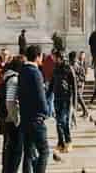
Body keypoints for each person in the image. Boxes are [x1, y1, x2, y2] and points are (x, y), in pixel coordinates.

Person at [17, 45, 51, 173]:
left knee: (29, 152)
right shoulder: (35, 72)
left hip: (25, 117)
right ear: (38, 57)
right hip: (36, 118)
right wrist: (46, 111)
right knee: (44, 151)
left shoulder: (22, 71)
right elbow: (40, 95)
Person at [51, 52, 77, 154]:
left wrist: (75, 101)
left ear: (60, 58)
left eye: (55, 58)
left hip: (66, 98)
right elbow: (52, 83)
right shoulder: (55, 68)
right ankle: (60, 143)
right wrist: (48, 95)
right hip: (57, 97)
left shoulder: (68, 68)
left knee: (64, 121)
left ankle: (68, 141)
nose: (54, 60)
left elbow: (74, 85)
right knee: (58, 122)